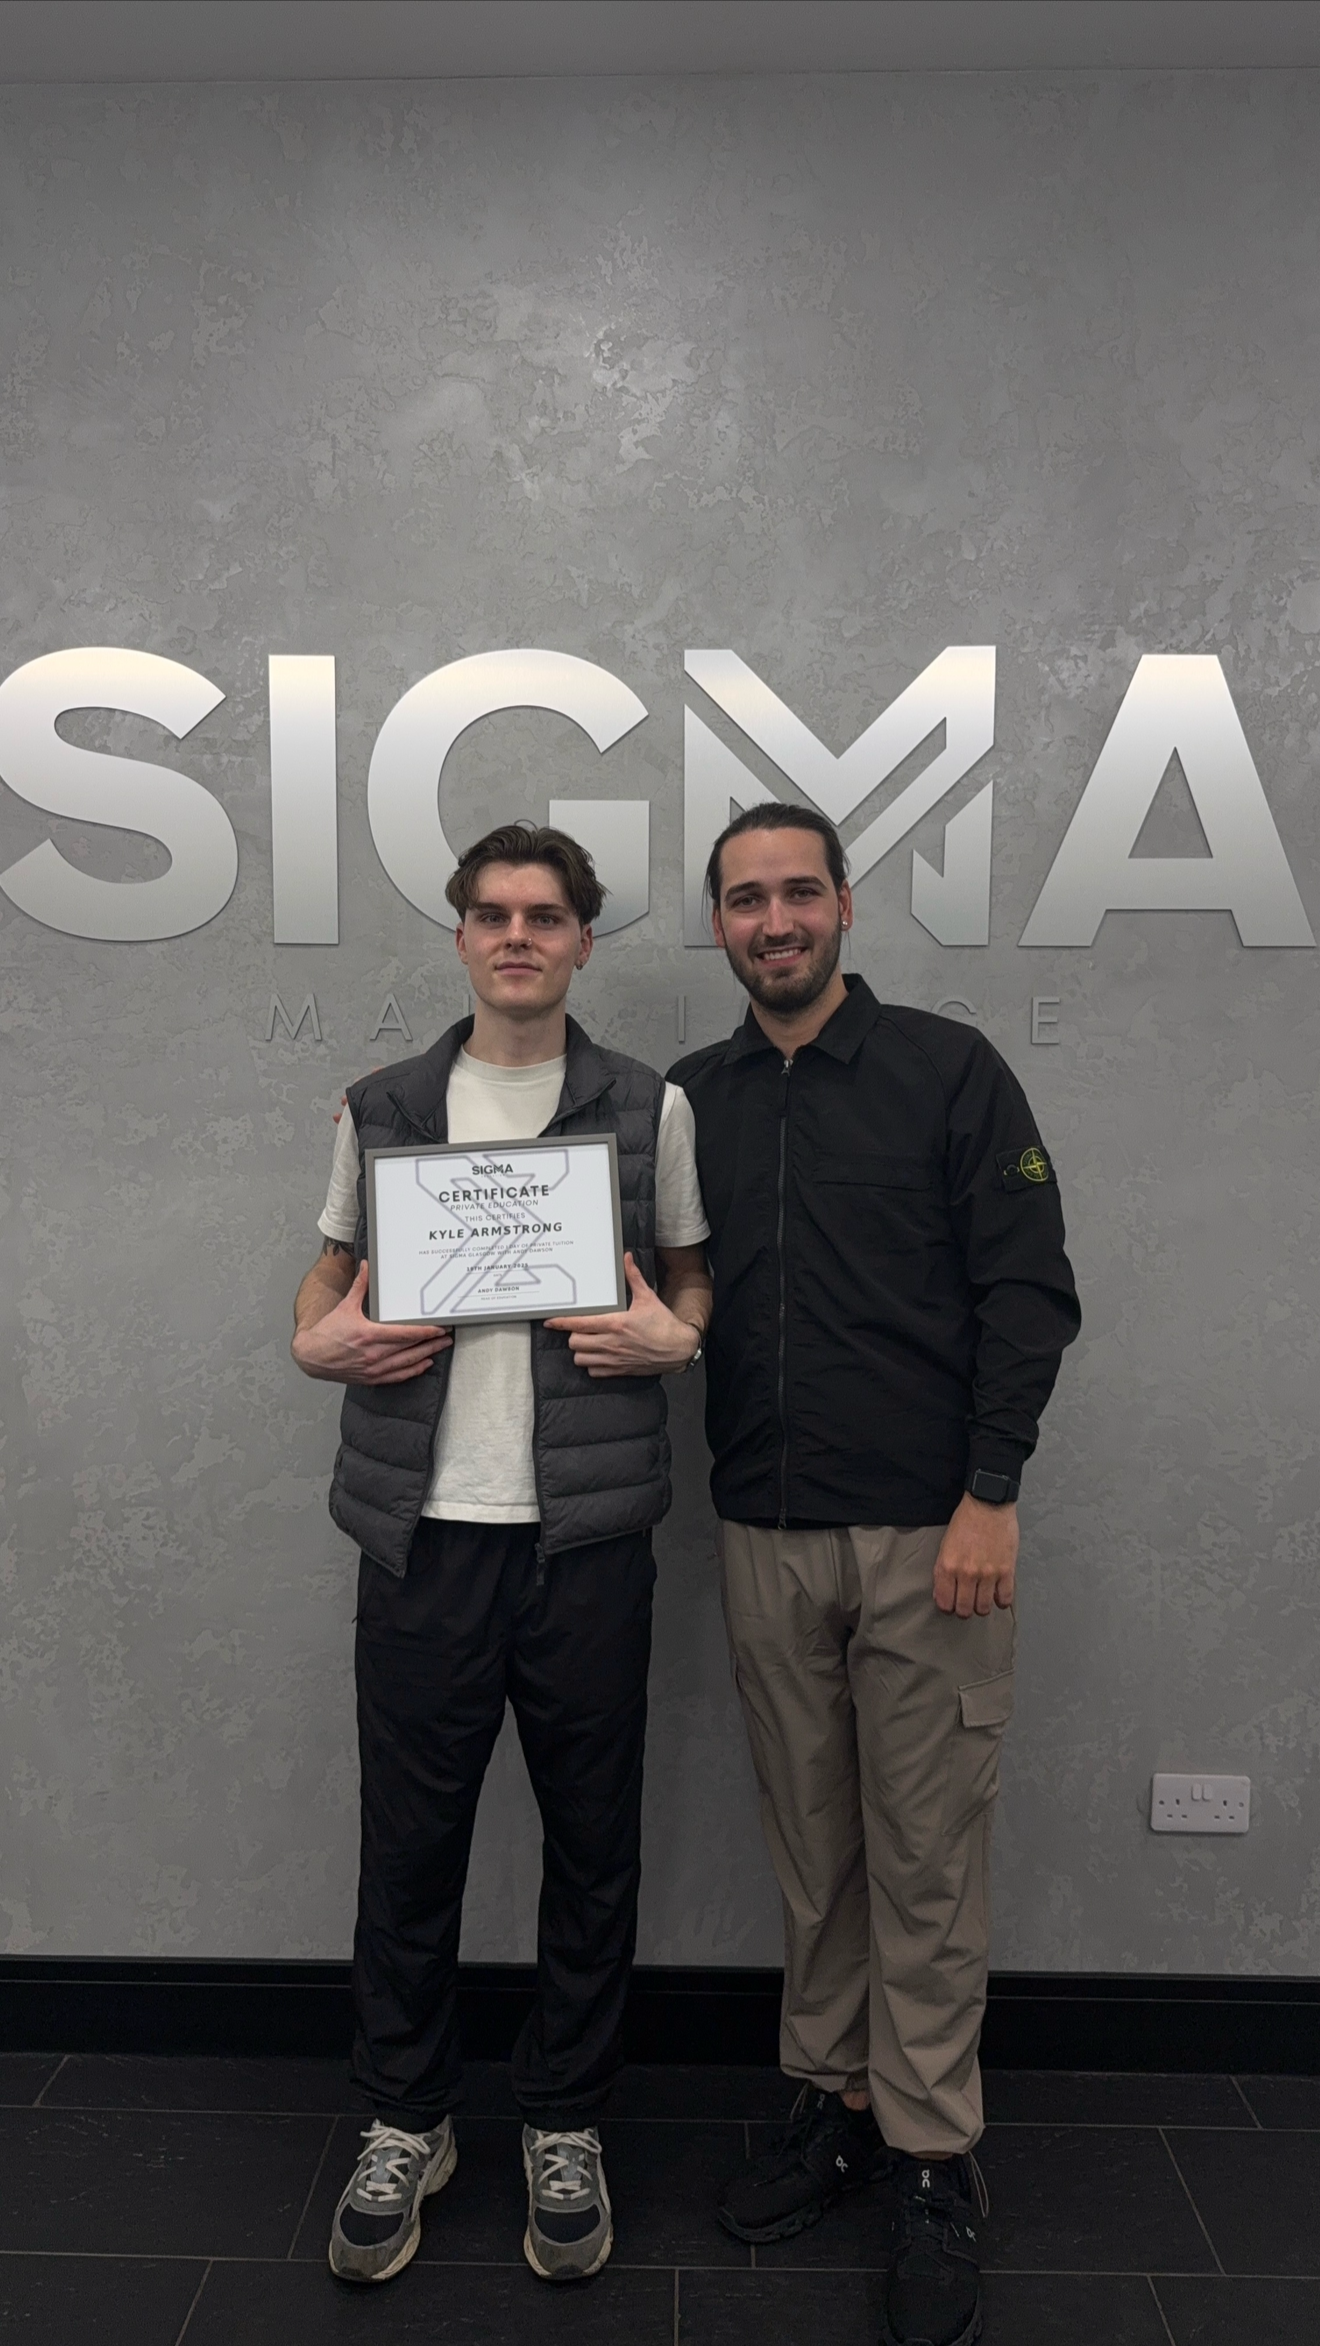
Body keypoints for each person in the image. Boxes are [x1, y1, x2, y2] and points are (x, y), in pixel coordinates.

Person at [669, 803, 1080, 2346]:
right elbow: (645, 1279)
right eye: (743, 900)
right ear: (718, 924)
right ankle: (833, 2098)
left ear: (842, 904)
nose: (772, 920)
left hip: (932, 1536)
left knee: (925, 1856)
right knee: (815, 1845)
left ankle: (931, 2156)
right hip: (764, 1530)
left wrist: (992, 1492)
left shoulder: (949, 1072)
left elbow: (1029, 1292)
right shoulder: (693, 1100)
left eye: (796, 892)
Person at [292, 822, 712, 2287]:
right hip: (422, 1542)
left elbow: (687, 1267)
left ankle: (564, 2117)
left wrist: (683, 1329)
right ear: (461, 936)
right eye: (492, 913)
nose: (517, 934)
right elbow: (330, 1270)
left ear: (582, 940)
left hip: (587, 1542)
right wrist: (312, 1335)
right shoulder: (388, 1103)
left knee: (594, 1842)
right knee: (410, 1848)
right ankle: (406, 2115)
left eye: (545, 914)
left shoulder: (642, 1104)